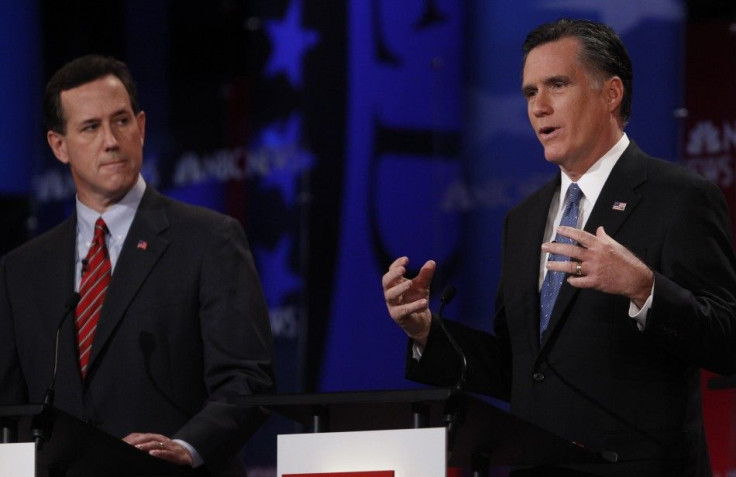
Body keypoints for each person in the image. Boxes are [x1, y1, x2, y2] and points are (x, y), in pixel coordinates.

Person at [383, 18, 736, 476]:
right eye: (530, 92)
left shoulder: (678, 196)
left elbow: (727, 341)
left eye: (557, 85)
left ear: (611, 94)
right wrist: (426, 331)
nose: (539, 107)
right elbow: (523, 368)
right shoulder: (524, 220)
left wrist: (645, 289)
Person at [0, 55, 275, 476]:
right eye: (91, 127)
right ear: (59, 145)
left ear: (141, 127)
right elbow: (11, 412)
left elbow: (247, 381)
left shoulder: (209, 239)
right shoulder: (22, 270)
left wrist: (186, 447)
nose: (111, 140)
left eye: (122, 121)